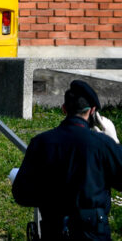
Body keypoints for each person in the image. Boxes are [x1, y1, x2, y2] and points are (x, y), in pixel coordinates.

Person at [12, 80, 122, 240]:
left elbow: (21, 194)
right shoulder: (102, 144)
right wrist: (115, 142)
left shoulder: (41, 142)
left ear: (64, 109)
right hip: (93, 231)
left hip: (54, 228)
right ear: (92, 112)